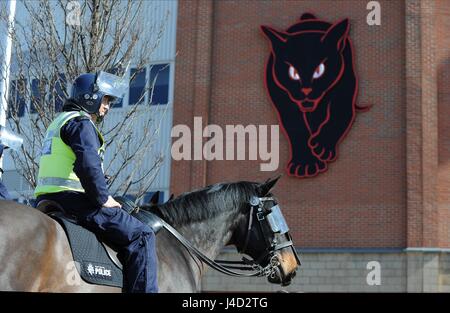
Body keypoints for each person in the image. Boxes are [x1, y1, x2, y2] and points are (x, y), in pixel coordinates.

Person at [34, 72, 158, 293]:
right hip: (74, 200)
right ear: (91, 96)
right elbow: (87, 165)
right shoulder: (81, 123)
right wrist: (104, 198)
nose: (107, 106)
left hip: (46, 199)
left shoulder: (59, 122)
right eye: (105, 99)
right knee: (142, 235)